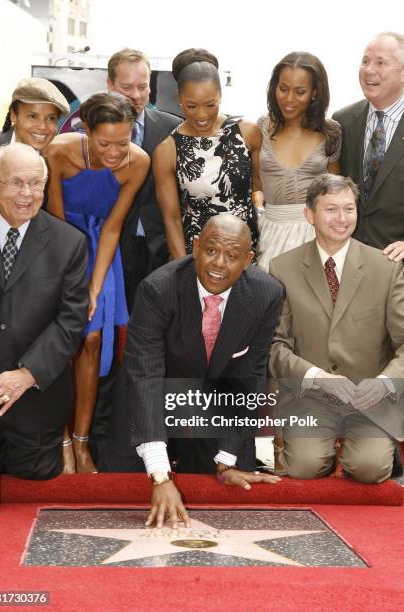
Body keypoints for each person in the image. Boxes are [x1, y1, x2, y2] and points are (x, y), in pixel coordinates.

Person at [101, 214, 283, 527]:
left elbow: (249, 377)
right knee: (117, 495)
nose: (219, 264)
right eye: (211, 250)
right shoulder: (158, 288)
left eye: (232, 256)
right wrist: (159, 476)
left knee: (233, 496)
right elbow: (145, 376)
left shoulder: (267, 294)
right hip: (152, 398)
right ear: (196, 246)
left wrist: (227, 460)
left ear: (249, 260)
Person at [268, 174, 404, 482]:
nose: (342, 219)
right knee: (304, 467)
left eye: (349, 209)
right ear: (309, 214)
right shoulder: (283, 267)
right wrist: (317, 377)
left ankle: (382, 446)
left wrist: (383, 383)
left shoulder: (386, 267)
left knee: (369, 469)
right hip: (312, 395)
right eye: (331, 209)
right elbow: (276, 347)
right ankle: (322, 452)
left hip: (369, 397)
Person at [47, 92, 150, 473]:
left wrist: (94, 287)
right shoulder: (58, 152)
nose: (114, 152)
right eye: (104, 142)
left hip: (103, 249)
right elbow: (57, 225)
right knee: (59, 341)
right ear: (85, 130)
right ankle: (59, 440)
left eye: (123, 141)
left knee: (91, 338)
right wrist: (71, 283)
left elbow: (112, 228)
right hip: (59, 246)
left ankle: (82, 442)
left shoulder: (138, 163)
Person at [0, 143, 88, 479]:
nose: (27, 194)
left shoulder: (69, 243)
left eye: (36, 184)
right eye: (16, 182)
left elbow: (70, 321)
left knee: (35, 475)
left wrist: (26, 376)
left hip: (32, 395)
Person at [153, 48, 263, 259]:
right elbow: (172, 219)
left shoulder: (248, 133)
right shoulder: (167, 150)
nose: (201, 115)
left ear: (221, 95)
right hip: (198, 255)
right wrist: (181, 268)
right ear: (179, 98)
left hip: (246, 252)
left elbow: (260, 189)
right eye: (191, 106)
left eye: (210, 104)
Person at [107, 48, 182, 312]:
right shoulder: (89, 132)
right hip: (111, 248)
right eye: (126, 87)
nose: (136, 95)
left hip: (159, 249)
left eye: (143, 86)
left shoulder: (173, 129)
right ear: (110, 85)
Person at [257, 51, 341, 272]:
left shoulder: (331, 132)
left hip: (316, 234)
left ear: (314, 92)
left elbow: (337, 192)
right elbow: (253, 183)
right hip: (269, 232)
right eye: (283, 89)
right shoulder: (261, 128)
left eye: (300, 92)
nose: (289, 99)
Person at [333, 32, 404, 254]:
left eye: (381, 62)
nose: (369, 70)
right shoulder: (343, 121)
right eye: (365, 61)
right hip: (349, 255)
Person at [0, 77, 69, 159]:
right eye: (33, 117)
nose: (42, 126)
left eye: (51, 118)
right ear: (13, 116)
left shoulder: (61, 158)